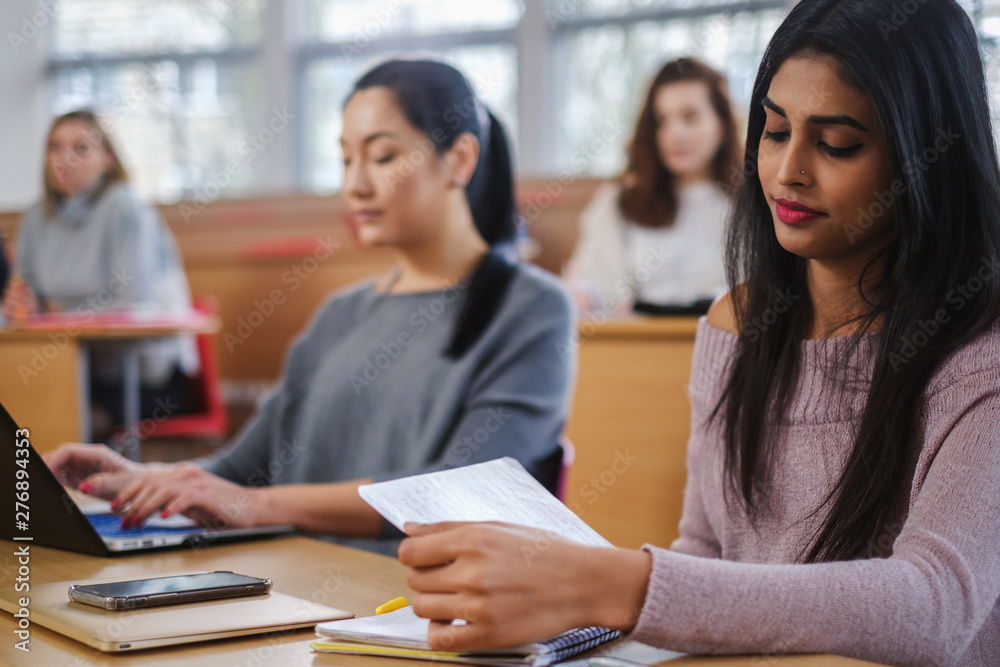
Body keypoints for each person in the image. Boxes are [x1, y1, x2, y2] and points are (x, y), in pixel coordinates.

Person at [396, 1, 1000, 664]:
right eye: (773, 131)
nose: (789, 172)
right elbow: (706, 551)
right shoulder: (735, 323)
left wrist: (613, 583)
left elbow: (933, 604)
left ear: (927, 155)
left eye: (837, 144)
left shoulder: (980, 345)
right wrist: (568, 618)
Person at [46, 59, 576, 555]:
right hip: (293, 598)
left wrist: (260, 505)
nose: (355, 184)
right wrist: (142, 480)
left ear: (459, 159)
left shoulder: (532, 307)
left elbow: (461, 493)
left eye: (383, 156)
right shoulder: (340, 314)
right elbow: (243, 470)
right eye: (346, 158)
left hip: (414, 616)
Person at [2, 110, 198, 434]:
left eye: (81, 148)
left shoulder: (125, 208)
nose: (65, 158)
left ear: (107, 159)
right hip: (66, 367)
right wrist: (24, 306)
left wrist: (58, 313)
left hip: (141, 377)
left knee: (66, 416)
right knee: (19, 401)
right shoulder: (36, 218)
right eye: (55, 147)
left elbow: (132, 300)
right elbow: (28, 293)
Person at [566, 58, 741, 315]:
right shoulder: (619, 203)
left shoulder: (749, 206)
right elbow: (592, 287)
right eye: (662, 121)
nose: (675, 133)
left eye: (690, 117)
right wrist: (579, 292)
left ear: (723, 125)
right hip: (637, 348)